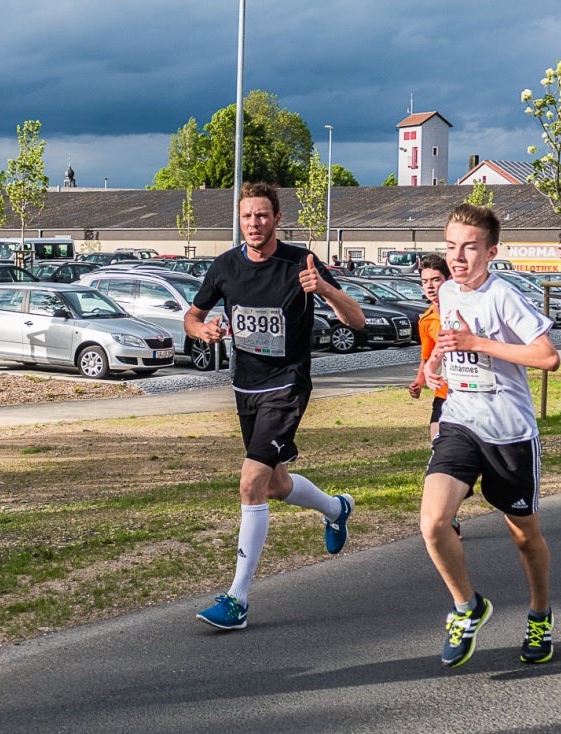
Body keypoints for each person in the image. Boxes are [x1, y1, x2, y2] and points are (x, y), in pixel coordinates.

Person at [185, 181, 366, 629]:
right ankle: (336, 508)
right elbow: (192, 316)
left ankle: (237, 599)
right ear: (240, 219)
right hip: (244, 388)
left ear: (277, 219)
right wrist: (201, 331)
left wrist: (323, 287)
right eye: (247, 216)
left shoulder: (300, 262)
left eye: (262, 215)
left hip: (287, 387)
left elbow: (356, 319)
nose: (254, 223)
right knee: (275, 486)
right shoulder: (225, 265)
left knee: (250, 483)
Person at [420, 203, 560, 668]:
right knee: (434, 522)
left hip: (511, 434)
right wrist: (436, 362)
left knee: (524, 536)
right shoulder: (448, 294)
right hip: (461, 422)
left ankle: (539, 614)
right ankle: (467, 606)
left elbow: (547, 357)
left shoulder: (503, 297)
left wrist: (478, 343)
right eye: (450, 247)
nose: (457, 258)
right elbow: (452, 346)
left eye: (469, 248)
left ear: (491, 252)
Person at [407, 254, 464, 539]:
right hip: (444, 394)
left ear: (448, 279)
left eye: (435, 280)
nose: (430, 286)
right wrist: (419, 380)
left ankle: (463, 483)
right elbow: (427, 358)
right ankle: (449, 517)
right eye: (425, 281)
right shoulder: (427, 319)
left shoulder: (468, 308)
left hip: (473, 395)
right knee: (438, 452)